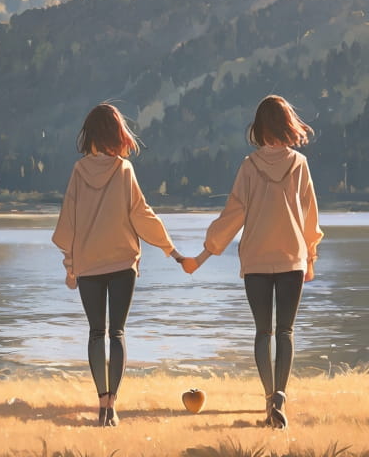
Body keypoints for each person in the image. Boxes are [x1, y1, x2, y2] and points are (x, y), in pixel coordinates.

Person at [182, 95, 322, 428]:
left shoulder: (249, 166)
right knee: (285, 331)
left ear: (258, 129)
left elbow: (232, 217)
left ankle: (267, 398)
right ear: (288, 126)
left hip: (257, 260)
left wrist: (203, 255)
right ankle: (280, 398)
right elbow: (309, 217)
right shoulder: (299, 165)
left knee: (263, 332)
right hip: (292, 258)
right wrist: (311, 256)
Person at [52, 104, 185, 426]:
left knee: (96, 332)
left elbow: (67, 223)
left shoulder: (79, 171)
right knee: (117, 332)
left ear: (89, 135)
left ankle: (100, 403)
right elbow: (142, 215)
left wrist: (71, 266)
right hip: (123, 262)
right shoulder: (123, 170)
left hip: (88, 265)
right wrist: (171, 250)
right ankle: (113, 405)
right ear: (117, 135)